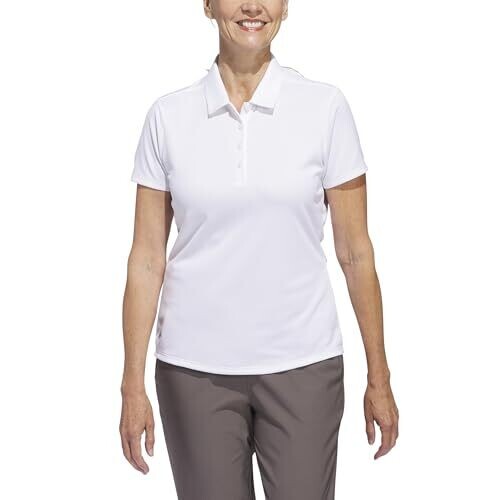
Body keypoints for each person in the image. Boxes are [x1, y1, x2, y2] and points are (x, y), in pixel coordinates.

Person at [120, 0, 399, 498]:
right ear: (208, 5)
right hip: (194, 371)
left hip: (305, 366)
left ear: (286, 7)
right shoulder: (168, 117)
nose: (252, 6)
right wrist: (131, 384)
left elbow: (356, 253)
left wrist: (379, 375)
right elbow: (145, 260)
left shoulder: (325, 109)